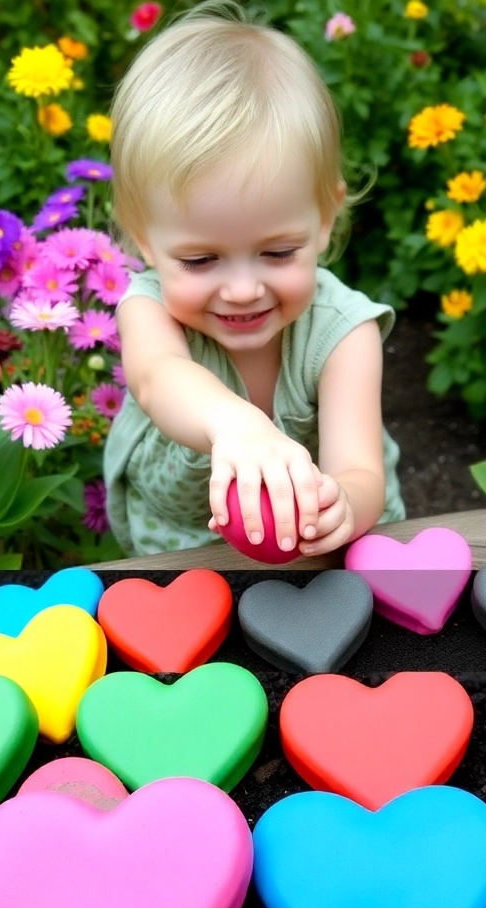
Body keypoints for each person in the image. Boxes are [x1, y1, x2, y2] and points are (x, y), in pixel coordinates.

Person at [104, 0, 406, 558]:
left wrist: (343, 503)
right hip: (183, 551)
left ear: (324, 220)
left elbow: (361, 470)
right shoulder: (148, 310)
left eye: (277, 251)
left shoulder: (342, 334)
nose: (242, 289)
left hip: (317, 555)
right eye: (200, 261)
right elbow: (157, 376)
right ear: (143, 238)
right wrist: (235, 424)